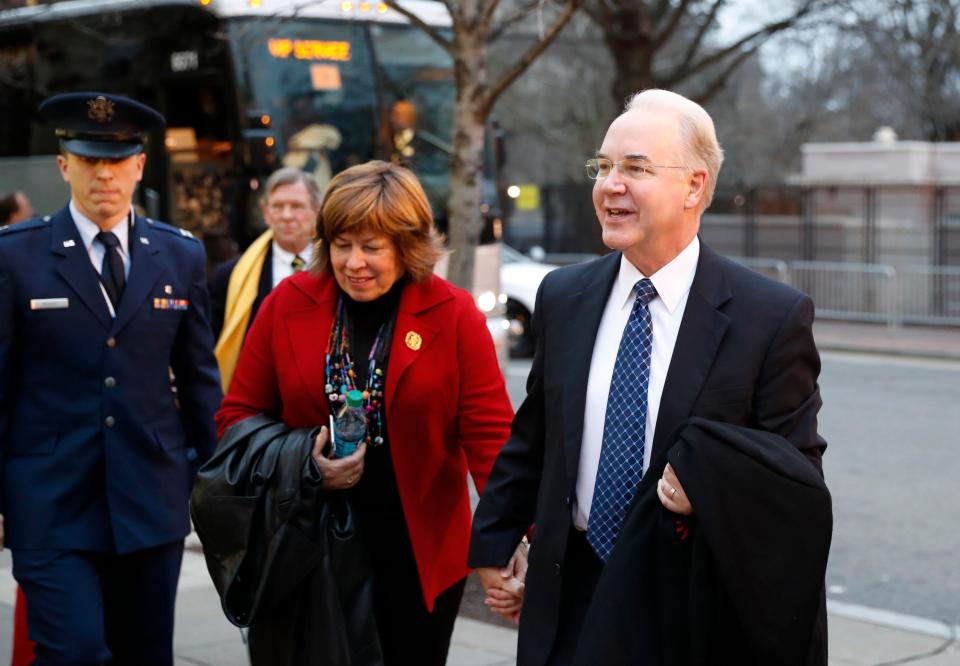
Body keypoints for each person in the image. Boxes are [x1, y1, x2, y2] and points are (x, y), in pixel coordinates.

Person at [468, 89, 827, 665]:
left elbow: (796, 479)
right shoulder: (564, 296)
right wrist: (493, 542)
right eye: (603, 166)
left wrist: (709, 491)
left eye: (636, 168)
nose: (611, 184)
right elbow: (534, 437)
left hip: (688, 603)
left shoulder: (769, 317)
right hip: (571, 594)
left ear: (695, 186)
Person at [214, 160, 514, 664]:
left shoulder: (453, 314)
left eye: (372, 247)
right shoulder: (287, 304)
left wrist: (510, 540)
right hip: (305, 546)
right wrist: (304, 456)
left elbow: (492, 438)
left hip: (415, 554)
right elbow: (237, 416)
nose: (354, 262)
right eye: (341, 244)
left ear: (408, 244)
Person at [0, 92, 222, 665]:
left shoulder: (180, 256)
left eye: (118, 159)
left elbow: (199, 381)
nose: (104, 173)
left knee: (145, 655)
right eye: (89, 158)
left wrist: (213, 484)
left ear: (140, 165)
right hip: (48, 503)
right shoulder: (16, 257)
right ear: (63, 165)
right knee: (73, 653)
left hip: (150, 501)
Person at [210, 166, 321, 390]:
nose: (287, 216)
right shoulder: (231, 276)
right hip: (260, 397)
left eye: (297, 206)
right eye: (278, 206)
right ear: (265, 212)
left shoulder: (340, 268)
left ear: (317, 211)